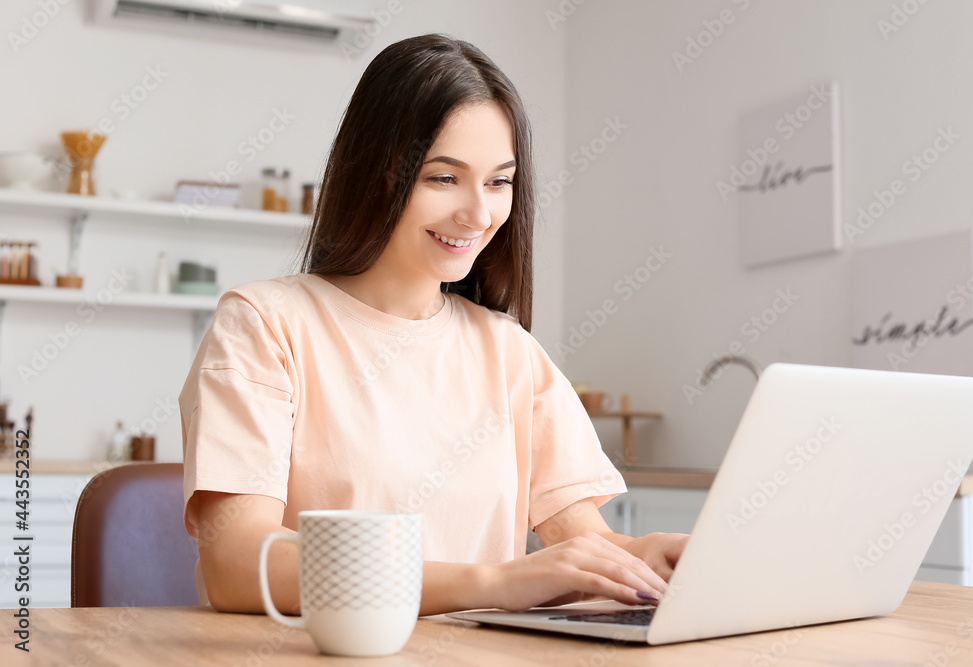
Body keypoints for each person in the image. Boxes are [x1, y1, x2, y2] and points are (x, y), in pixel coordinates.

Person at [179, 33, 688, 617]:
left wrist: (647, 554)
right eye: (443, 178)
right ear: (375, 173)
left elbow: (585, 545)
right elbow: (237, 564)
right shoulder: (265, 325)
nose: (478, 214)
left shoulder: (510, 352)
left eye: (499, 182)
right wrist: (494, 584)